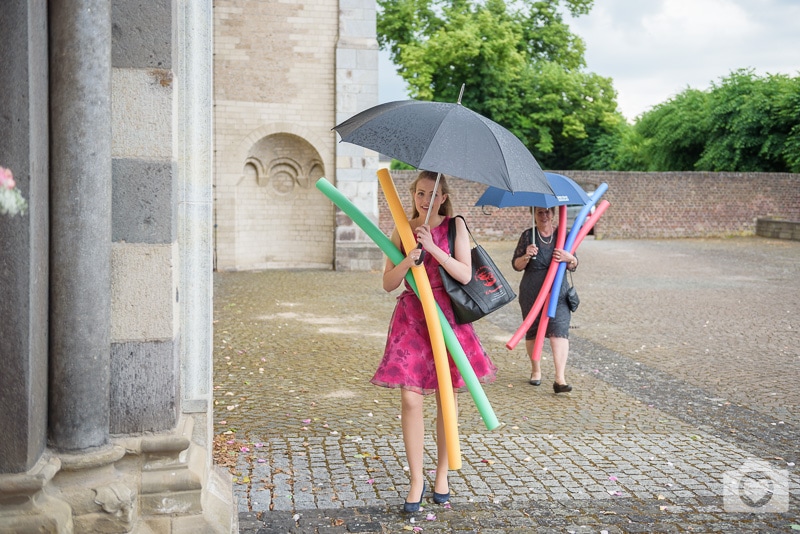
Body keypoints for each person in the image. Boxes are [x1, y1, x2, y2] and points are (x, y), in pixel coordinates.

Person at [371, 170, 497, 513]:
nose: (425, 200)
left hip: (447, 319)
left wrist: (431, 249)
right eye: (420, 193)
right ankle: (416, 479)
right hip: (412, 317)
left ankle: (441, 473)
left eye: (433, 194)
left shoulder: (455, 225)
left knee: (446, 397)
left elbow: (466, 274)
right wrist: (410, 259)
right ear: (414, 195)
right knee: (411, 399)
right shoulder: (402, 227)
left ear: (443, 197)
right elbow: (388, 283)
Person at [511, 206, 578, 393]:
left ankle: (560, 379)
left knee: (559, 330)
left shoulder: (563, 235)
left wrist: (568, 257)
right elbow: (516, 265)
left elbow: (574, 264)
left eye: (548, 211)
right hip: (532, 292)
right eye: (540, 212)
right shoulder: (528, 236)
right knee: (533, 331)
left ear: (554, 214)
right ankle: (536, 370)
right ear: (534, 214)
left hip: (558, 293)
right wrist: (526, 255)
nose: (544, 215)